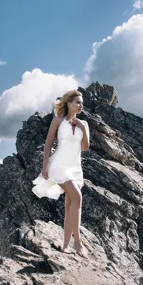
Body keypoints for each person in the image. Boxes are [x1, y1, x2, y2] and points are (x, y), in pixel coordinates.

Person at [31, 89, 90, 257]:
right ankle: (78, 243)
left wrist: (82, 128)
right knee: (77, 197)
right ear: (68, 103)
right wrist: (45, 167)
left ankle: (65, 246)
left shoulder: (83, 124)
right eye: (77, 102)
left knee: (70, 204)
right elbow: (49, 144)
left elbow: (85, 147)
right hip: (59, 165)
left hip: (75, 167)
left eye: (81, 103)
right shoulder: (57, 121)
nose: (80, 106)